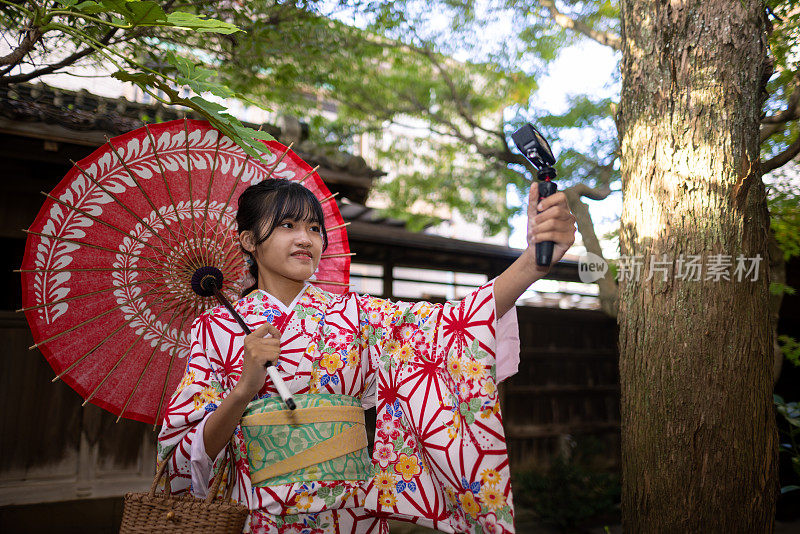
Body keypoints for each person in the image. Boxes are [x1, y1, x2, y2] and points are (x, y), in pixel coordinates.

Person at [157, 178, 576, 533]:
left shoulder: (357, 314)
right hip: (259, 517)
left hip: (351, 514)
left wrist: (533, 262)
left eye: (314, 228)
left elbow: (451, 326)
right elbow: (186, 451)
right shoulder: (215, 330)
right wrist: (244, 390)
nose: (306, 238)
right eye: (287, 225)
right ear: (249, 240)